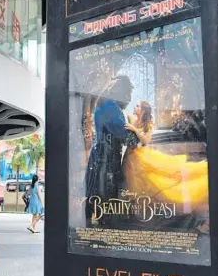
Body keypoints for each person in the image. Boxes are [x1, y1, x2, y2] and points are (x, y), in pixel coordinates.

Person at [124, 100, 208, 212]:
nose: (135, 107)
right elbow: (123, 115)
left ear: (143, 111)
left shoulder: (148, 125)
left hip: (141, 154)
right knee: (139, 181)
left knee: (162, 175)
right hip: (131, 156)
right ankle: (136, 207)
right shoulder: (132, 120)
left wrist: (134, 130)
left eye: (138, 106)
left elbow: (145, 140)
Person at [84, 75, 134, 227]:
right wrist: (138, 133)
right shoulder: (110, 107)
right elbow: (126, 135)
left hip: (102, 156)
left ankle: (95, 223)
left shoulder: (106, 105)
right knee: (105, 196)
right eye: (128, 94)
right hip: (106, 159)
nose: (130, 99)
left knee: (97, 194)